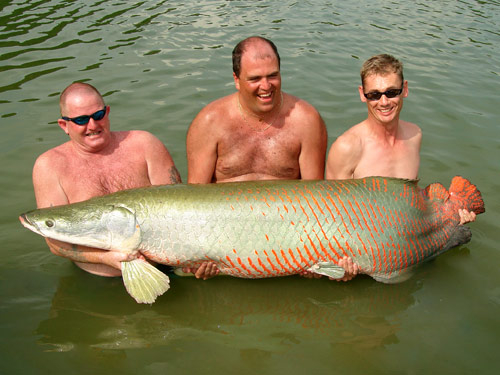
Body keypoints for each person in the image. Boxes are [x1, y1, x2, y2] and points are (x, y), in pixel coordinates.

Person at [184, 36, 361, 281]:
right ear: (236, 79)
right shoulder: (208, 123)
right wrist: (196, 256)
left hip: (289, 242)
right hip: (224, 244)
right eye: (255, 79)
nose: (266, 86)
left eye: (273, 76)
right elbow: (194, 203)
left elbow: (316, 199)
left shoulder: (306, 120)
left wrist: (319, 258)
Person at [32, 82, 181, 277]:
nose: (92, 125)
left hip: (162, 266)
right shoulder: (49, 166)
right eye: (81, 120)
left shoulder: (145, 144)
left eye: (98, 116)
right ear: (64, 125)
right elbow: (56, 243)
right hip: (98, 280)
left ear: (107, 112)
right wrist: (104, 259)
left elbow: (179, 213)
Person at [326, 53, 475, 224]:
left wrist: (452, 215)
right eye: (374, 94)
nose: (383, 102)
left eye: (391, 92)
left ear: (405, 89)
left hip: (406, 232)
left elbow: (411, 198)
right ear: (362, 94)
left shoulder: (414, 135)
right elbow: (333, 216)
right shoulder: (347, 147)